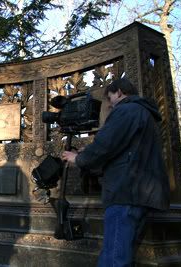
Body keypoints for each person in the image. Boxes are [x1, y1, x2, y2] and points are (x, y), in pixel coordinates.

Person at [61, 78, 170, 267]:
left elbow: (106, 144)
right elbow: (124, 150)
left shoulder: (127, 110)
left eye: (110, 99)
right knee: (123, 255)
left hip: (126, 192)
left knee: (114, 259)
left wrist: (78, 159)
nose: (110, 105)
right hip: (141, 193)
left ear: (119, 92)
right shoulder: (144, 113)